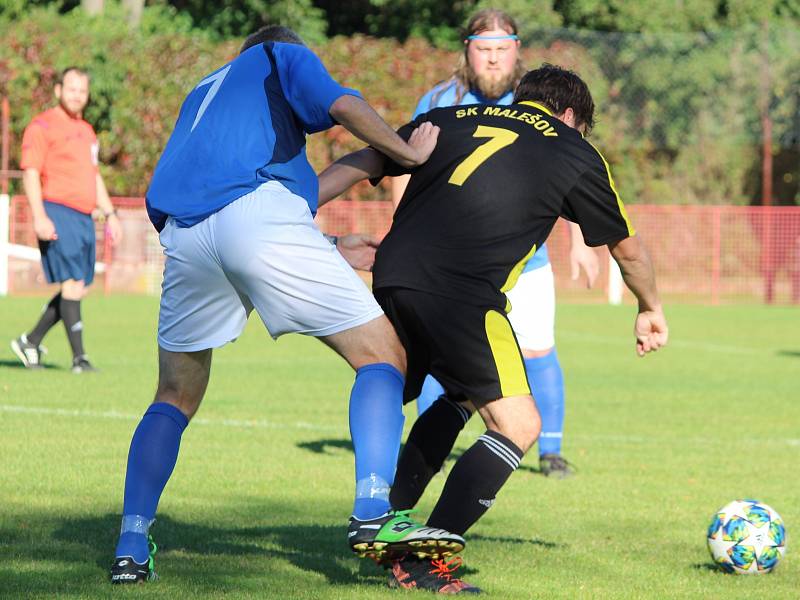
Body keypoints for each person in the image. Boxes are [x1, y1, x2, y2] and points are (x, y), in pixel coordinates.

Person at [109, 26, 462, 585]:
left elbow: (283, 201)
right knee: (383, 356)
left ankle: (131, 545)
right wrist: (407, 153)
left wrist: (332, 241)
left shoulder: (206, 95)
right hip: (256, 223)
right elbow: (344, 106)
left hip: (185, 237)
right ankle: (373, 511)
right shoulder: (276, 54)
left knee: (174, 396)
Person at [318, 64, 669, 593]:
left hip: (392, 274)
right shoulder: (574, 150)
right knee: (518, 424)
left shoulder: (448, 117)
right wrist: (650, 306)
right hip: (462, 292)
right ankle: (421, 559)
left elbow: (366, 157)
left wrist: (301, 204)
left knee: (458, 396)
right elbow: (627, 248)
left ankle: (383, 522)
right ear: (571, 115)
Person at [392, 8, 599, 478]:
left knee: (539, 350)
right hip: (450, 264)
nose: (492, 59)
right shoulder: (439, 99)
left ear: (517, 50)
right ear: (467, 48)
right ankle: (430, 449)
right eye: (483, 49)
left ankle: (551, 451)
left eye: (501, 50)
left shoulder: (540, 102)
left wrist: (583, 241)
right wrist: (400, 229)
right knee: (437, 359)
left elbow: (565, 171)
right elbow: (407, 165)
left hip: (527, 261)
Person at [11, 67, 123, 373]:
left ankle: (30, 341)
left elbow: (93, 175)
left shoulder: (86, 131)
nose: (77, 95)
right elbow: (31, 171)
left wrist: (110, 212)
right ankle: (80, 359)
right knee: (72, 283)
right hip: (57, 211)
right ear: (59, 90)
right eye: (71, 89)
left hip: (85, 216)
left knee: (79, 287)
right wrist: (40, 216)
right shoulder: (42, 126)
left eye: (82, 91)